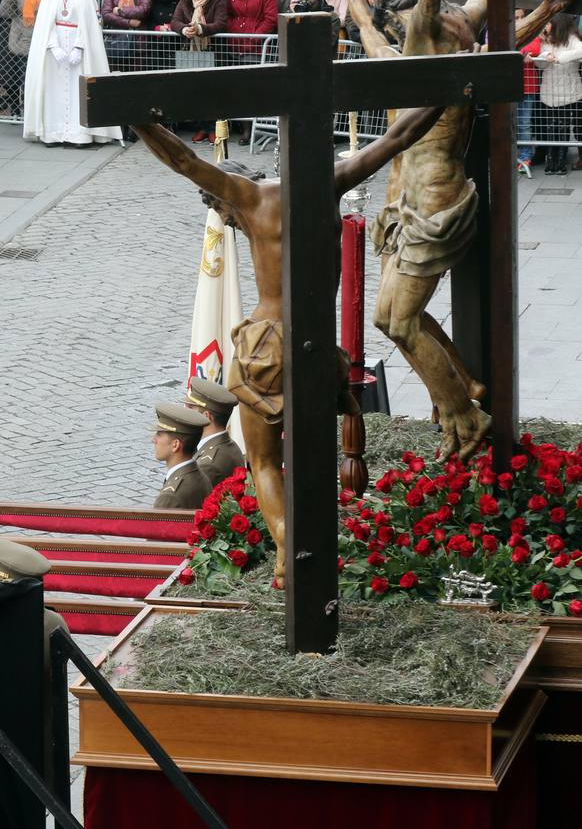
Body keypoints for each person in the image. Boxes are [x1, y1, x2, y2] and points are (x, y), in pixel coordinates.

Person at [131, 100, 445, 582]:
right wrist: (447, 94)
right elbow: (398, 137)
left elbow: (184, 160)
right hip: (318, 345)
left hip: (267, 346)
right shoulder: (331, 183)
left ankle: (285, 547)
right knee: (313, 455)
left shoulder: (251, 198)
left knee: (263, 459)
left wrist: (136, 117)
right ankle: (309, 542)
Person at [324, 0, 573, 456]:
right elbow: (372, 33)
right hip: (401, 211)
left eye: (407, 21)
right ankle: (466, 385)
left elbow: (489, 36)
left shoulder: (446, 66)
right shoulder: (403, 65)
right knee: (383, 320)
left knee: (403, 322)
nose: (398, 30)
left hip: (437, 208)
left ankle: (465, 417)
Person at [23, 0, 119, 146]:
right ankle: (54, 133)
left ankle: (79, 134)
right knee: (53, 89)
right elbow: (44, 23)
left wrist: (79, 46)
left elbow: (91, 23)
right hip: (55, 48)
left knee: (78, 90)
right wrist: (52, 45)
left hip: (77, 47)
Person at [535, 13, 582, 174]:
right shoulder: (546, 40)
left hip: (568, 92)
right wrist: (545, 56)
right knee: (550, 127)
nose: (546, 26)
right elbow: (540, 64)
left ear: (558, 24)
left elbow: (580, 50)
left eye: (549, 23)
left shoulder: (571, 38)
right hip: (549, 91)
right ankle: (551, 160)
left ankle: (560, 161)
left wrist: (560, 57)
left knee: (563, 127)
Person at [183, 377, 245, 486]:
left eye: (191, 407)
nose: (185, 412)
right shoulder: (229, 445)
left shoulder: (208, 465)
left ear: (206, 417)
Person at [150, 402, 213, 509]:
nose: (153, 439)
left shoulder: (169, 497)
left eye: (159, 434)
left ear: (175, 445)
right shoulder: (202, 477)